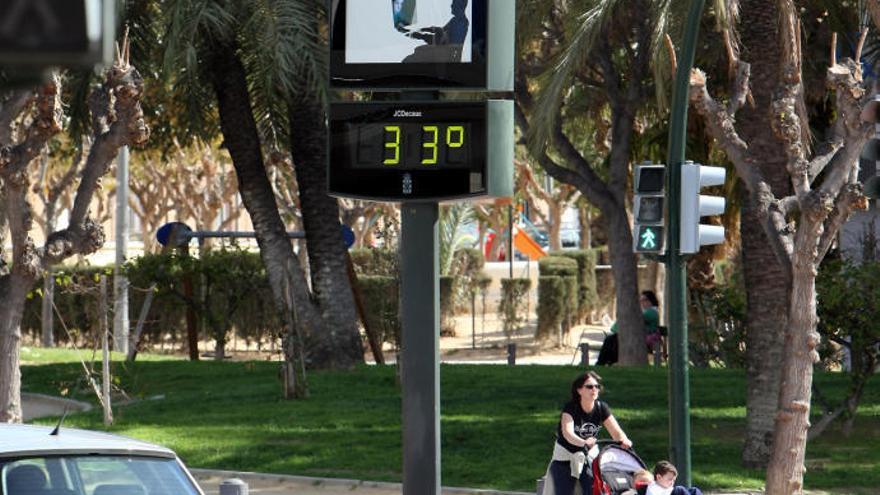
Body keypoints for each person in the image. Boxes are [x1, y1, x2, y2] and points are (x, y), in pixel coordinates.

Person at [541, 371, 633, 495]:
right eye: (589, 386)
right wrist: (583, 442)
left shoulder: (601, 408)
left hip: (588, 457)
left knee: (595, 490)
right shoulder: (570, 408)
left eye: (597, 386)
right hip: (565, 459)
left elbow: (616, 432)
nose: (594, 389)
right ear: (579, 390)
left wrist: (624, 440)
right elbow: (568, 434)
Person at [595, 290, 660, 365]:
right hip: (639, 339)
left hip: (644, 341)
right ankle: (605, 363)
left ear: (651, 300)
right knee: (612, 340)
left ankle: (602, 363)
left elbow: (631, 319)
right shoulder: (647, 312)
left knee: (611, 340)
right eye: (641, 300)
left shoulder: (651, 312)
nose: (642, 302)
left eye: (644, 300)